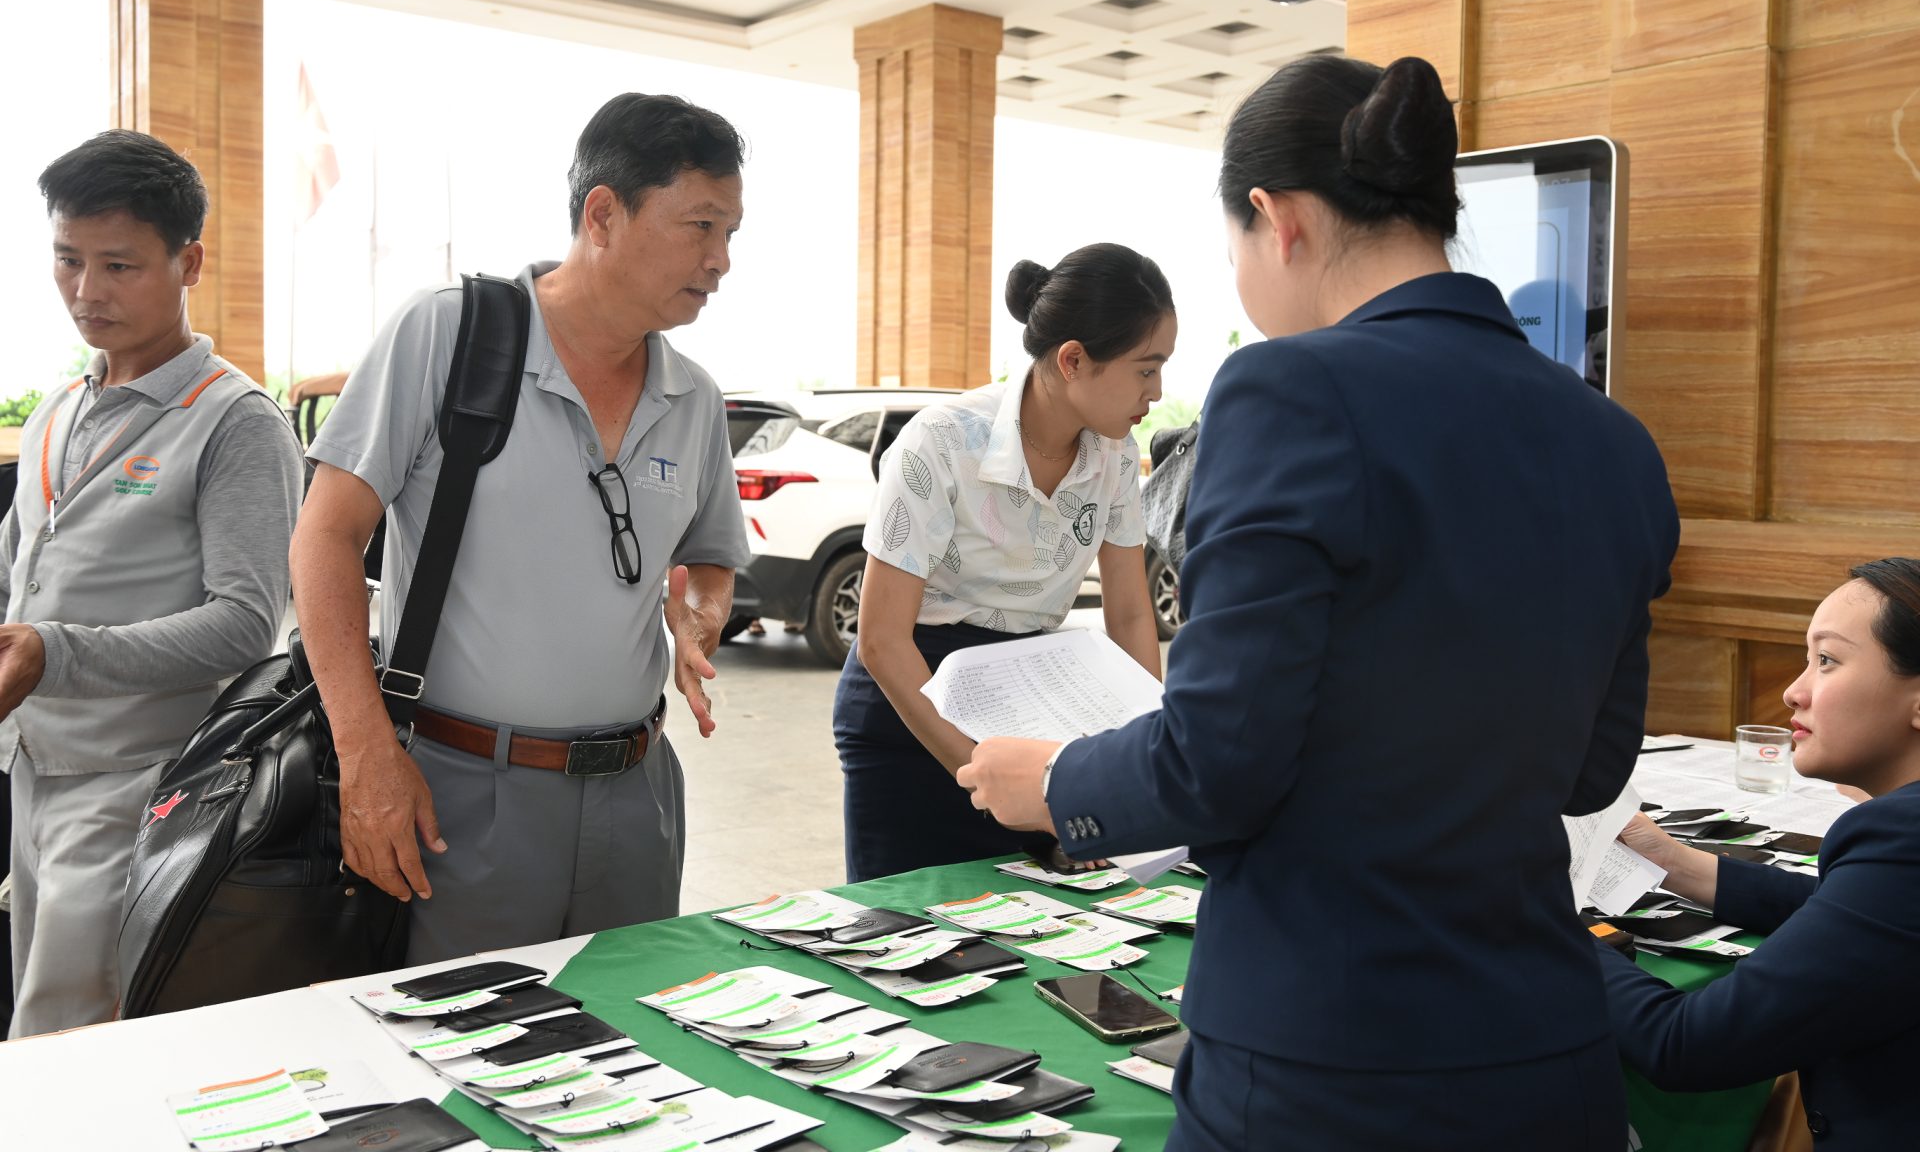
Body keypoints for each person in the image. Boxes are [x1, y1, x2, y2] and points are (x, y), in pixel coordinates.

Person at [960, 56, 1681, 1150]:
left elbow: (1218, 761)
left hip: (1329, 1064)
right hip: (1546, 1052)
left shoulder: (1288, 389)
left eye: (1234, 248)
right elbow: (1590, 767)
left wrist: (1055, 781)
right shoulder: (1616, 441)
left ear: (1277, 218)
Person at [290, 93, 751, 963]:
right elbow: (324, 537)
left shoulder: (693, 397)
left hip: (637, 796)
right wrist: (366, 753)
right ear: (603, 215)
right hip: (462, 798)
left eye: (731, 232)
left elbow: (711, 556)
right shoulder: (451, 335)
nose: (721, 259)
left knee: (630, 1030)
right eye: (700, 225)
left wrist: (700, 615)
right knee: (462, 1037)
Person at [0, 130, 303, 1036]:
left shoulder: (235, 422)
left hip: (140, 781)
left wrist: (53, 654)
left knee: (72, 1034)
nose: (86, 291)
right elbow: (19, 570)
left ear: (188, 263)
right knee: (36, 1019)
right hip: (32, 765)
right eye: (68, 259)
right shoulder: (60, 409)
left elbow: (245, 624)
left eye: (119, 265)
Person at [835, 243, 1174, 882]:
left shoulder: (1114, 455)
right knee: (914, 926)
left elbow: (1131, 615)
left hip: (1028, 708)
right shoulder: (941, 443)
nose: (1156, 392)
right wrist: (987, 779)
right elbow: (881, 640)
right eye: (1145, 370)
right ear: (1073, 360)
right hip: (913, 709)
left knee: (1048, 926)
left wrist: (1139, 766)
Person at [1600, 559, 1920, 1149]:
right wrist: (1673, 861)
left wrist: (1550, 924)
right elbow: (1858, 913)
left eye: (1827, 660)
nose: (1792, 691)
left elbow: (1686, 1045)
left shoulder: (1903, 839)